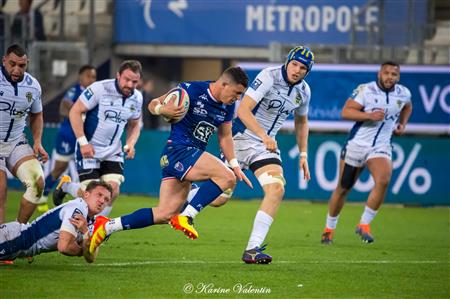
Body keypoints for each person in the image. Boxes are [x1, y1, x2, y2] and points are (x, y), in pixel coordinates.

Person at [87, 66, 252, 255]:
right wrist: (162, 108)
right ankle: (188, 216)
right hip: (179, 151)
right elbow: (153, 104)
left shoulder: (227, 105)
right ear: (224, 84)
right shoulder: (191, 89)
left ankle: (107, 226)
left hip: (185, 157)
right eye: (237, 93)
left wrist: (235, 164)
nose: (237, 98)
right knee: (226, 178)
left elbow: (225, 136)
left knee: (165, 213)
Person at [183, 46, 314, 264]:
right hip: (240, 138)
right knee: (218, 200)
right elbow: (243, 109)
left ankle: (252, 249)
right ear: (287, 61)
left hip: (265, 147)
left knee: (276, 188)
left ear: (307, 72)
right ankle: (186, 195)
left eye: (303, 68)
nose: (297, 70)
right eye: (294, 64)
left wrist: (303, 154)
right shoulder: (269, 76)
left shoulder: (305, 92)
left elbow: (302, 121)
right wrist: (263, 135)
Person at [320, 61, 413, 244]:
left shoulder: (403, 93)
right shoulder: (366, 90)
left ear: (398, 77)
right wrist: (369, 115)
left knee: (384, 180)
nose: (389, 77)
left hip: (381, 146)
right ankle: (328, 229)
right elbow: (346, 112)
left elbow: (408, 106)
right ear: (379, 73)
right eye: (386, 73)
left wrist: (402, 124)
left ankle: (364, 224)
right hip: (357, 145)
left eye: (394, 74)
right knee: (343, 188)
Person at [52, 60, 143, 217]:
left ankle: (98, 230)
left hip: (113, 150)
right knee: (90, 196)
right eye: (126, 79)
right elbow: (75, 111)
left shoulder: (137, 97)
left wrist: (130, 143)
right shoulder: (99, 89)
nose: (129, 84)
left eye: (134, 81)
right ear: (118, 75)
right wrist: (83, 143)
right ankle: (66, 186)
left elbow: (134, 125)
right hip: (90, 148)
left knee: (112, 191)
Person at [0, 180, 112, 264]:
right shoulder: (78, 208)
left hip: (17, 243)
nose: (102, 201)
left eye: (106, 199)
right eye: (99, 195)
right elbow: (63, 247)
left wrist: (86, 233)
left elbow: (91, 258)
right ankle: (66, 185)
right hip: (13, 239)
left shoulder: (90, 222)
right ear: (86, 194)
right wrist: (83, 248)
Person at [0, 44, 48, 224]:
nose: (16, 69)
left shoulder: (33, 86)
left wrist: (37, 142)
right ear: (4, 60)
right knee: (1, 189)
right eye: (12, 64)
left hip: (16, 141)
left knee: (37, 184)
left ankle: (17, 235)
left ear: (27, 63)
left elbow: (37, 115)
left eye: (22, 65)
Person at [38, 65, 97, 211]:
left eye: (94, 77)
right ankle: (42, 197)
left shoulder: (96, 93)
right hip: (68, 135)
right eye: (88, 76)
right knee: (59, 168)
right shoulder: (74, 90)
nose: (91, 79)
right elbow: (64, 107)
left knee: (88, 171)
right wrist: (79, 113)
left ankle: (82, 204)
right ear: (80, 77)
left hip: (85, 138)